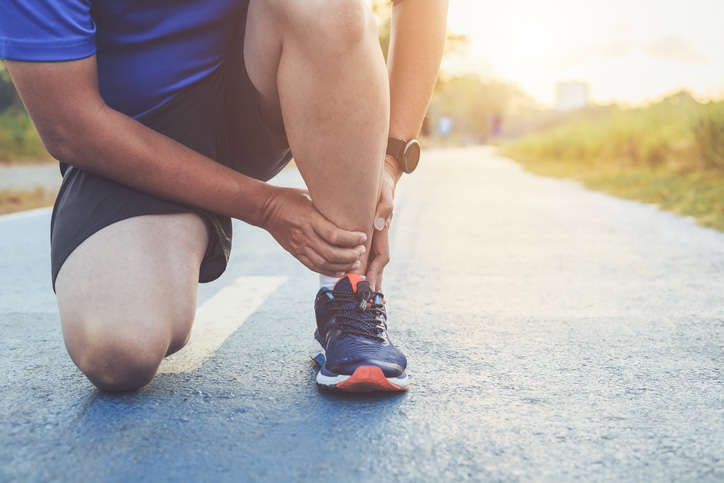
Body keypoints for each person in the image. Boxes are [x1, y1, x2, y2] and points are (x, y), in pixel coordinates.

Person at [0, 0, 448, 392]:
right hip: (128, 138)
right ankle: (183, 219)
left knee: (328, 5)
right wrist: (264, 206)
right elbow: (69, 125)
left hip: (251, 89)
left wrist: (386, 161)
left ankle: (348, 292)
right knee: (118, 350)